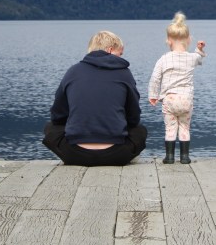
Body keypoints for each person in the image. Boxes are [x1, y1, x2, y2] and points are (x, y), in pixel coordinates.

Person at [42, 30, 147, 166]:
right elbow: (134, 118)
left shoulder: (73, 71)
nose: (121, 58)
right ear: (110, 50)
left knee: (50, 128)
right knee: (140, 130)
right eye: (120, 54)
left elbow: (57, 115)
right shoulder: (124, 73)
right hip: (116, 155)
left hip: (74, 154)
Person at [148, 12, 206, 164]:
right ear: (189, 40)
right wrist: (199, 49)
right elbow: (199, 58)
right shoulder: (191, 57)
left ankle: (169, 157)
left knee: (170, 128)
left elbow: (155, 78)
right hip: (186, 100)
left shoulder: (164, 58)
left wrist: (153, 95)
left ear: (168, 41)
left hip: (170, 99)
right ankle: (185, 157)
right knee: (185, 128)